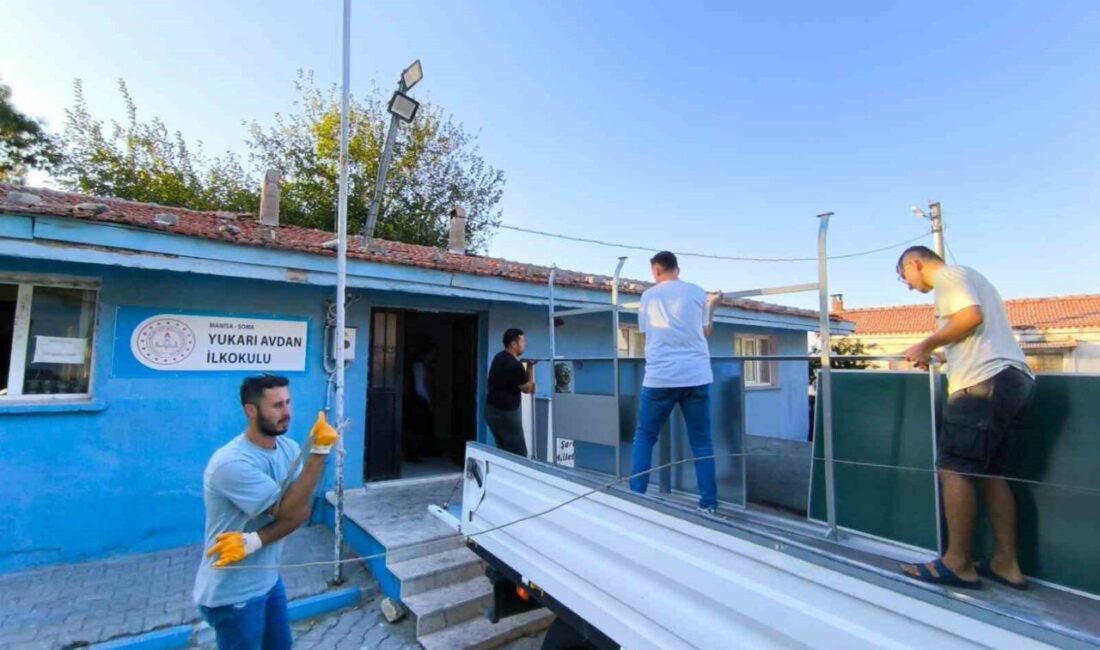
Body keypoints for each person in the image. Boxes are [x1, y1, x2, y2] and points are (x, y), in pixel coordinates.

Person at [895, 246, 1035, 590]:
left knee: (953, 468)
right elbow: (973, 334)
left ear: (916, 263)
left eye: (904, 277)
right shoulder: (973, 277)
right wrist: (942, 356)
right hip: (1013, 381)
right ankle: (1006, 564)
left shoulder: (949, 277)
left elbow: (971, 317)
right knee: (990, 474)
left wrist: (926, 344)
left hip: (982, 385)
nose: (909, 286)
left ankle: (958, 563)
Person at [193, 375, 339, 648]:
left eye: (288, 402)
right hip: (233, 590)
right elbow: (288, 513)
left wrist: (253, 541)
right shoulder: (231, 463)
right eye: (277, 406)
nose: (287, 413)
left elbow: (302, 511)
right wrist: (319, 453)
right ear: (252, 410)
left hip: (268, 580)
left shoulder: (289, 448)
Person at [629, 251, 722, 514]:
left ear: (656, 271)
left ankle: (637, 496)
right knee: (702, 441)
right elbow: (706, 332)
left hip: (660, 377)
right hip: (697, 375)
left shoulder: (648, 296)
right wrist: (712, 304)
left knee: (645, 436)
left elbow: (647, 332)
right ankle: (708, 503)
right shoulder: (698, 292)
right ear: (677, 269)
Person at [486, 328, 537, 456]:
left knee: (503, 450)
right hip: (507, 415)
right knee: (519, 454)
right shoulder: (515, 366)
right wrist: (530, 368)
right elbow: (528, 389)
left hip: (491, 412)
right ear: (514, 344)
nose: (525, 344)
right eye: (523, 341)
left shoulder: (498, 357)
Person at [405, 344, 437, 463]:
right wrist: (428, 401)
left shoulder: (424, 366)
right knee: (416, 429)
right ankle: (413, 454)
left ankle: (421, 452)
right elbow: (419, 387)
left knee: (420, 428)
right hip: (418, 401)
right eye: (432, 354)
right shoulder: (419, 366)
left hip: (419, 400)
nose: (433, 358)